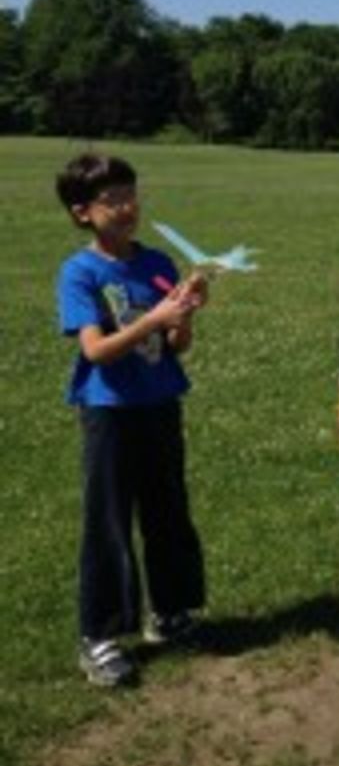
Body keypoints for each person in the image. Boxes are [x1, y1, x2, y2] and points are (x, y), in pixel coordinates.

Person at [55, 153, 209, 687]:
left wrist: (184, 315)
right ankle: (99, 636)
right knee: (110, 520)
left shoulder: (156, 261)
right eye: (112, 200)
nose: (126, 207)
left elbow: (175, 346)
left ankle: (170, 613)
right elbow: (95, 351)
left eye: (130, 195)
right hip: (109, 412)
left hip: (160, 402)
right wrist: (154, 318)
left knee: (168, 510)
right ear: (82, 212)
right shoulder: (81, 272)